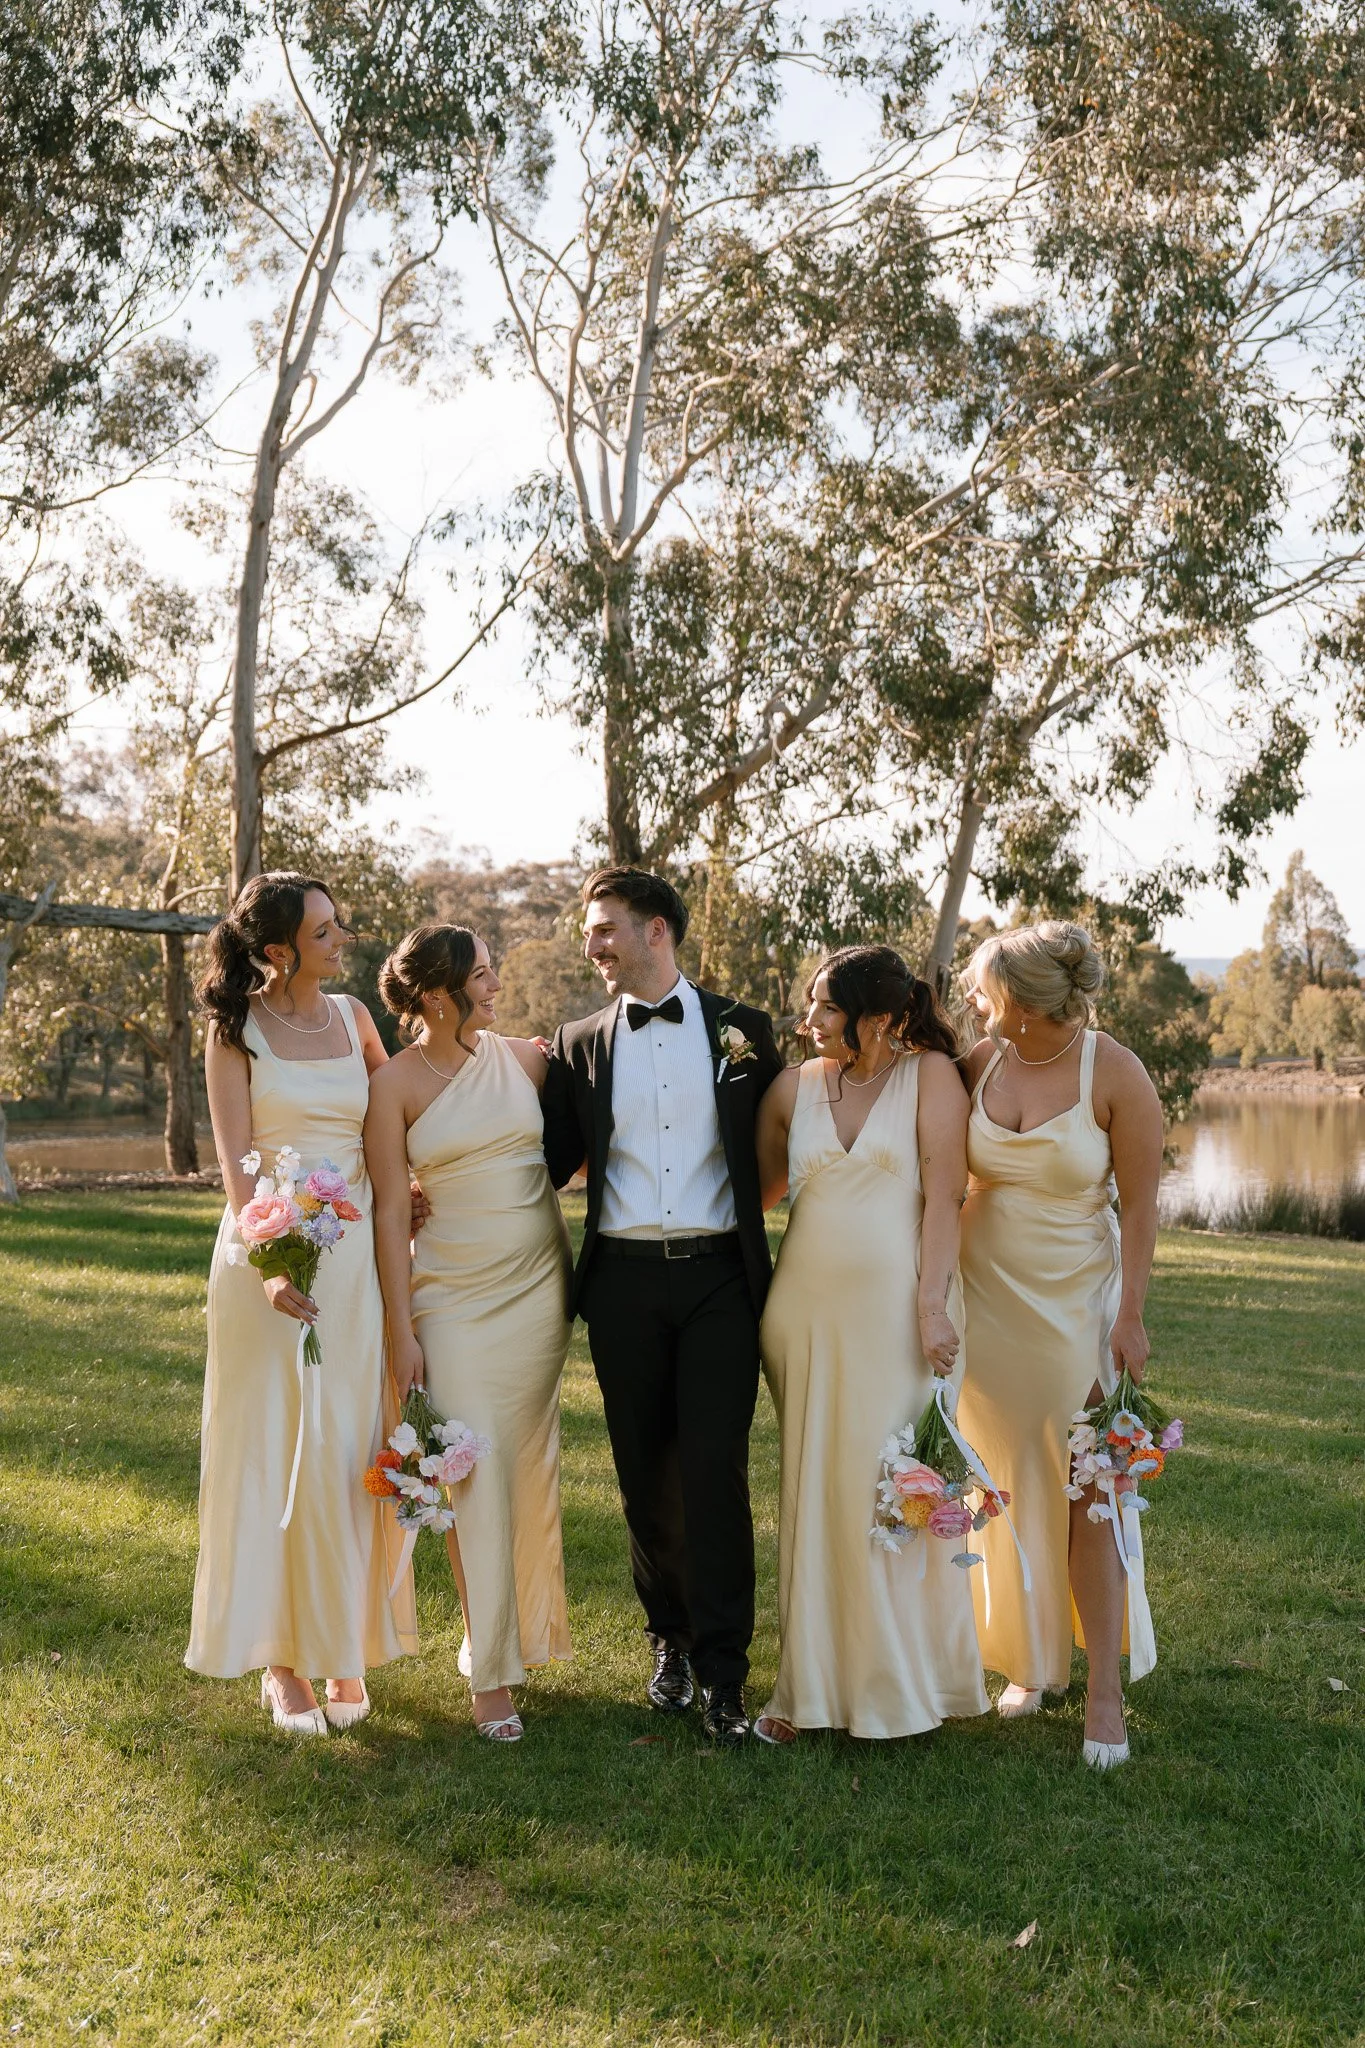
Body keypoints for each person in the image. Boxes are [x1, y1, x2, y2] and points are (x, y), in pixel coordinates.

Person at [541, 868, 783, 1745]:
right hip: (623, 1284)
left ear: (658, 933)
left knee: (713, 1471)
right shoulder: (575, 1043)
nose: (592, 945)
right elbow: (546, 1158)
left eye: (606, 929)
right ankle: (668, 1642)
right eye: (588, 932)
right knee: (646, 1473)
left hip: (723, 1278)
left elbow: (781, 1146)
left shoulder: (743, 1032)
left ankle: (725, 1672)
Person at [187, 872, 415, 1734]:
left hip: (352, 1258)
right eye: (323, 930)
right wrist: (270, 1264)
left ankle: (342, 1646)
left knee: (338, 1447)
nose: (340, 938)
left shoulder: (356, 1017)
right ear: (277, 948)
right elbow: (238, 1162)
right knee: (273, 1447)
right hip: (268, 1261)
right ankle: (280, 1662)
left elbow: (394, 1116)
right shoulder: (235, 1032)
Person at [752, 946, 989, 1743]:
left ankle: (905, 1684)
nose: (807, 1021)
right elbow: (758, 1196)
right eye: (810, 1005)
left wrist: (931, 1306)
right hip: (803, 1319)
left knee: (890, 1484)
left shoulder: (930, 1079)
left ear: (881, 1018)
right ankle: (805, 1690)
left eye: (825, 1008)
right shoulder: (791, 1088)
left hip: (897, 1316)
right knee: (816, 1496)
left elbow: (944, 1198)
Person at [955, 921, 1163, 1769]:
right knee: (1001, 1480)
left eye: (980, 988)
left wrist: (1131, 1316)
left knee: (1091, 1490)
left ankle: (1103, 1699)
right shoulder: (980, 1062)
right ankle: (1028, 1662)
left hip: (1077, 1301)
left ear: (1021, 998)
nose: (972, 1001)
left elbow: (1144, 1209)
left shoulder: (1112, 1071)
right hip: (984, 1303)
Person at [364, 924, 572, 1743]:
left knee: (521, 1469)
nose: (496, 986)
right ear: (439, 993)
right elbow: (388, 1210)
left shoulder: (525, 1059)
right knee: (471, 1469)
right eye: (483, 975)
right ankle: (492, 1676)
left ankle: (502, 1635)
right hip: (449, 1296)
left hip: (536, 1294)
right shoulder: (397, 1086)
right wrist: (399, 1326)